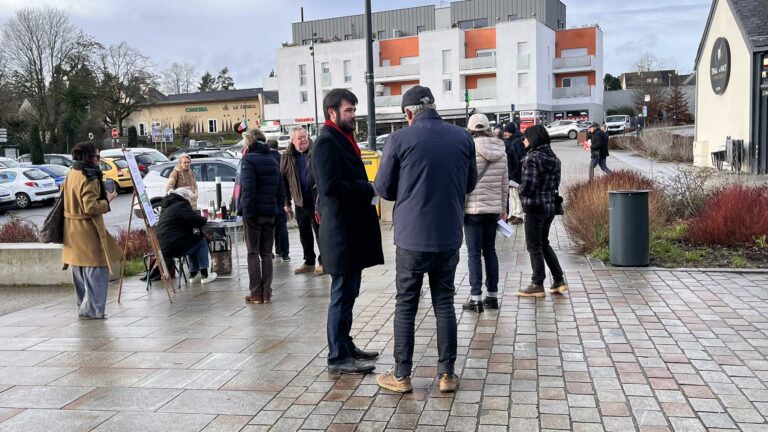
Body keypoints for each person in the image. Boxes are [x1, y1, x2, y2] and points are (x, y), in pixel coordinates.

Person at [374, 85, 477, 393]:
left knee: (406, 303)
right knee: (444, 301)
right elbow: (470, 183)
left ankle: (401, 375)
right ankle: (447, 374)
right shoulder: (463, 138)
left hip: (411, 237)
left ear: (408, 113)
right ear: (434, 106)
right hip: (448, 235)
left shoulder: (398, 139)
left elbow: (384, 189)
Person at [312, 88, 384, 375]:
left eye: (354, 109)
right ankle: (337, 356)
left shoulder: (341, 137)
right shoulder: (326, 142)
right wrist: (367, 188)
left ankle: (345, 344)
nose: (354, 115)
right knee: (341, 295)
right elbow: (330, 186)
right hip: (340, 231)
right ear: (332, 112)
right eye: (349, 110)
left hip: (350, 230)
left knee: (349, 293)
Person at [62, 142, 123, 319]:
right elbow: (90, 207)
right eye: (97, 156)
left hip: (71, 230)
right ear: (89, 157)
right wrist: (107, 200)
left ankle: (84, 308)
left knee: (80, 270)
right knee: (97, 269)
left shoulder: (72, 173)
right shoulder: (89, 177)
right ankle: (93, 310)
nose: (99, 159)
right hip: (87, 230)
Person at [462, 114, 508, 313]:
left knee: (474, 253)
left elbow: (464, 181)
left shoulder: (468, 148)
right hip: (493, 210)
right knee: (490, 251)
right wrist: (503, 209)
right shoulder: (501, 149)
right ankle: (492, 296)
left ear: (470, 128)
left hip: (473, 209)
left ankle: (476, 298)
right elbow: (505, 183)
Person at [516, 124, 568, 298]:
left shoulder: (531, 158)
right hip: (550, 207)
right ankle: (558, 279)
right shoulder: (554, 158)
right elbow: (556, 183)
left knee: (534, 246)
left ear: (532, 139)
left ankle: (537, 283)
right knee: (544, 243)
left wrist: (518, 189)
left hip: (534, 207)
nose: (523, 141)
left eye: (525, 138)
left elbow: (528, 187)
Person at [240, 129, 283, 304]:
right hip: (270, 212)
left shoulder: (248, 160)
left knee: (253, 252)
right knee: (266, 253)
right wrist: (278, 210)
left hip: (254, 213)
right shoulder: (272, 160)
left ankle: (256, 293)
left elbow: (248, 189)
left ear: (248, 143)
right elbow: (280, 189)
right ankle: (266, 293)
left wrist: (247, 212)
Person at [281, 126, 322, 275]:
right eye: (300, 138)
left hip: (317, 201)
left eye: (305, 137)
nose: (304, 140)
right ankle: (309, 261)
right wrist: (287, 203)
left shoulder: (316, 150)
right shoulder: (287, 156)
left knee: (320, 233)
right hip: (300, 201)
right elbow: (283, 180)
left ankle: (324, 262)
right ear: (293, 141)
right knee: (304, 234)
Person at [155, 187, 217, 284]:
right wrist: (205, 219)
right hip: (174, 246)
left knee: (192, 240)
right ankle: (205, 275)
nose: (190, 202)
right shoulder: (181, 205)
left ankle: (193, 274)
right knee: (202, 241)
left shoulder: (167, 207)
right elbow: (195, 220)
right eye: (190, 199)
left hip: (162, 248)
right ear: (185, 196)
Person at [267, 139, 290, 262]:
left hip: (268, 199)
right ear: (277, 147)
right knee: (282, 226)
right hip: (280, 198)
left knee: (269, 226)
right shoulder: (281, 159)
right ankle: (284, 252)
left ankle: (269, 252)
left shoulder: (265, 159)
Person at [502, 122, 525, 224]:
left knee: (516, 194)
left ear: (511, 132)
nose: (505, 133)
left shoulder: (517, 141)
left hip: (516, 173)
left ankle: (519, 215)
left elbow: (520, 158)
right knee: (512, 194)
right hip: (511, 173)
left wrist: (516, 171)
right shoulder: (512, 140)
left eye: (507, 131)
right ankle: (515, 213)